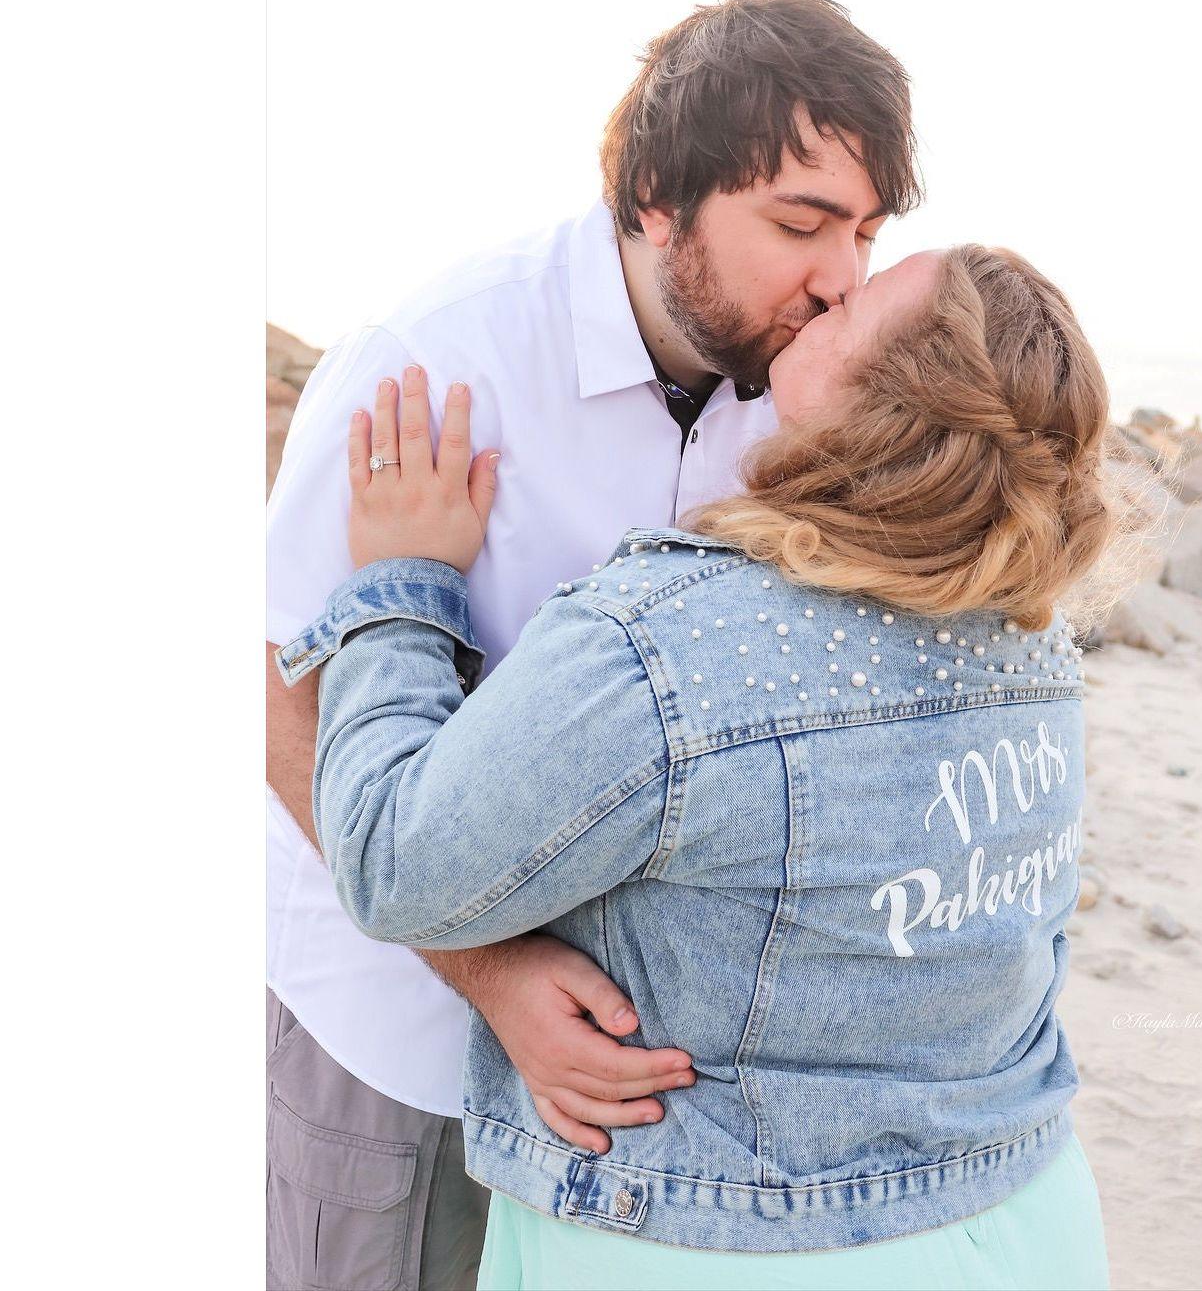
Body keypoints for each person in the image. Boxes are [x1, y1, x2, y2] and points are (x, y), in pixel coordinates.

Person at [276, 242, 1121, 1289]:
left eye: (858, 306)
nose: (832, 288)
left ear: (886, 401)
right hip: (1027, 1220)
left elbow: (393, 861)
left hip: (735, 1250)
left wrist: (402, 582)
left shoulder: (675, 644)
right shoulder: (1032, 644)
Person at [265, 0, 922, 1290]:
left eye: (863, 231)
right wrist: (489, 972)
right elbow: (271, 692)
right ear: (655, 197)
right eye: (800, 224)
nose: (841, 276)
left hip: (648, 1089)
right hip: (404, 1040)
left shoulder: (807, 384)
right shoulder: (437, 361)